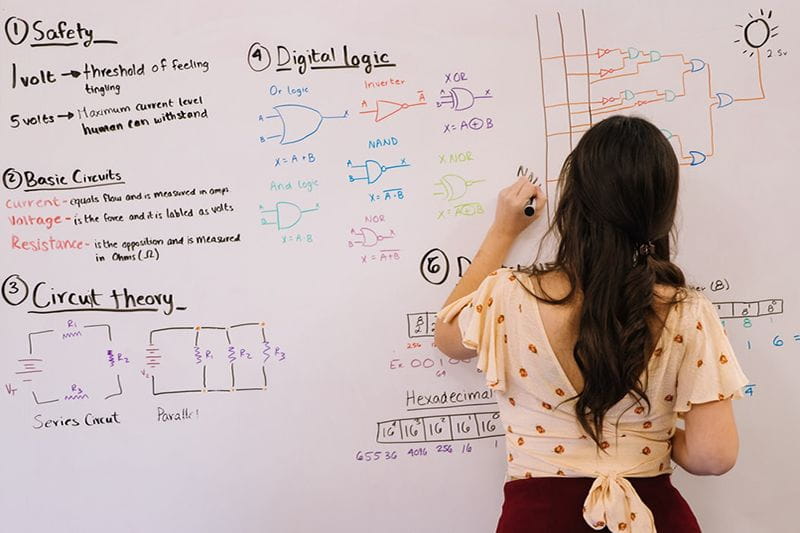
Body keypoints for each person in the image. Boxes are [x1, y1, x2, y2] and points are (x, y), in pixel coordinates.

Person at [434, 115, 748, 533]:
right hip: (654, 517)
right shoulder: (688, 311)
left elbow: (447, 334)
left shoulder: (508, 295)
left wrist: (502, 231)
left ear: (573, 200)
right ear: (661, 210)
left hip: (539, 519)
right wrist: (641, 441)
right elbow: (714, 456)